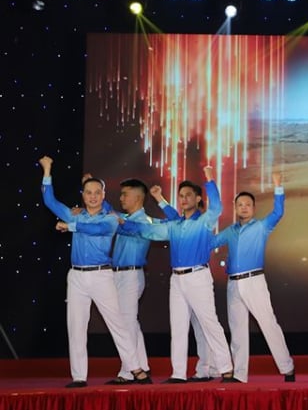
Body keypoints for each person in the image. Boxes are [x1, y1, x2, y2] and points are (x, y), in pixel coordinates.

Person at [38, 156, 151, 388]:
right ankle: (79, 376)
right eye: (88, 192)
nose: (92, 196)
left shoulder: (110, 219)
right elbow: (50, 201)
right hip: (77, 276)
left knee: (117, 323)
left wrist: (70, 226)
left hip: (101, 276)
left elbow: (96, 229)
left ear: (103, 195)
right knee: (76, 326)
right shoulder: (76, 214)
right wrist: (47, 170)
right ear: (83, 195)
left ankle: (136, 368)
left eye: (97, 193)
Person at [121, 167, 236, 383]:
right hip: (176, 279)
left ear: (198, 199)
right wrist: (124, 223)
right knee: (178, 326)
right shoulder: (174, 225)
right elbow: (150, 231)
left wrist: (210, 178)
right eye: (181, 196)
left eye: (188, 195)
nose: (183, 199)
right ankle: (178, 374)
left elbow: (217, 207)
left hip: (198, 277)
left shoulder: (204, 221)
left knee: (209, 323)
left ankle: (226, 369)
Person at [211, 173, 295, 383]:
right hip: (233, 283)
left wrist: (277, 185)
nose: (244, 208)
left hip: (254, 281)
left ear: (254, 208)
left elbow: (278, 212)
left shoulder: (261, 226)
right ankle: (239, 374)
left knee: (268, 323)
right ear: (235, 208)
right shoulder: (230, 231)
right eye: (240, 205)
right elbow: (211, 243)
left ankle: (287, 368)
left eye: (248, 204)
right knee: (237, 329)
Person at [105, 178, 155, 385]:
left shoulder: (145, 222)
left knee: (125, 323)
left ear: (138, 197)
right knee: (130, 323)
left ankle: (128, 371)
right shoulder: (124, 218)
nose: (121, 198)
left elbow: (126, 226)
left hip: (131, 276)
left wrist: (113, 217)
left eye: (125, 194)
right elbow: (112, 215)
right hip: (117, 275)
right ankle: (142, 365)